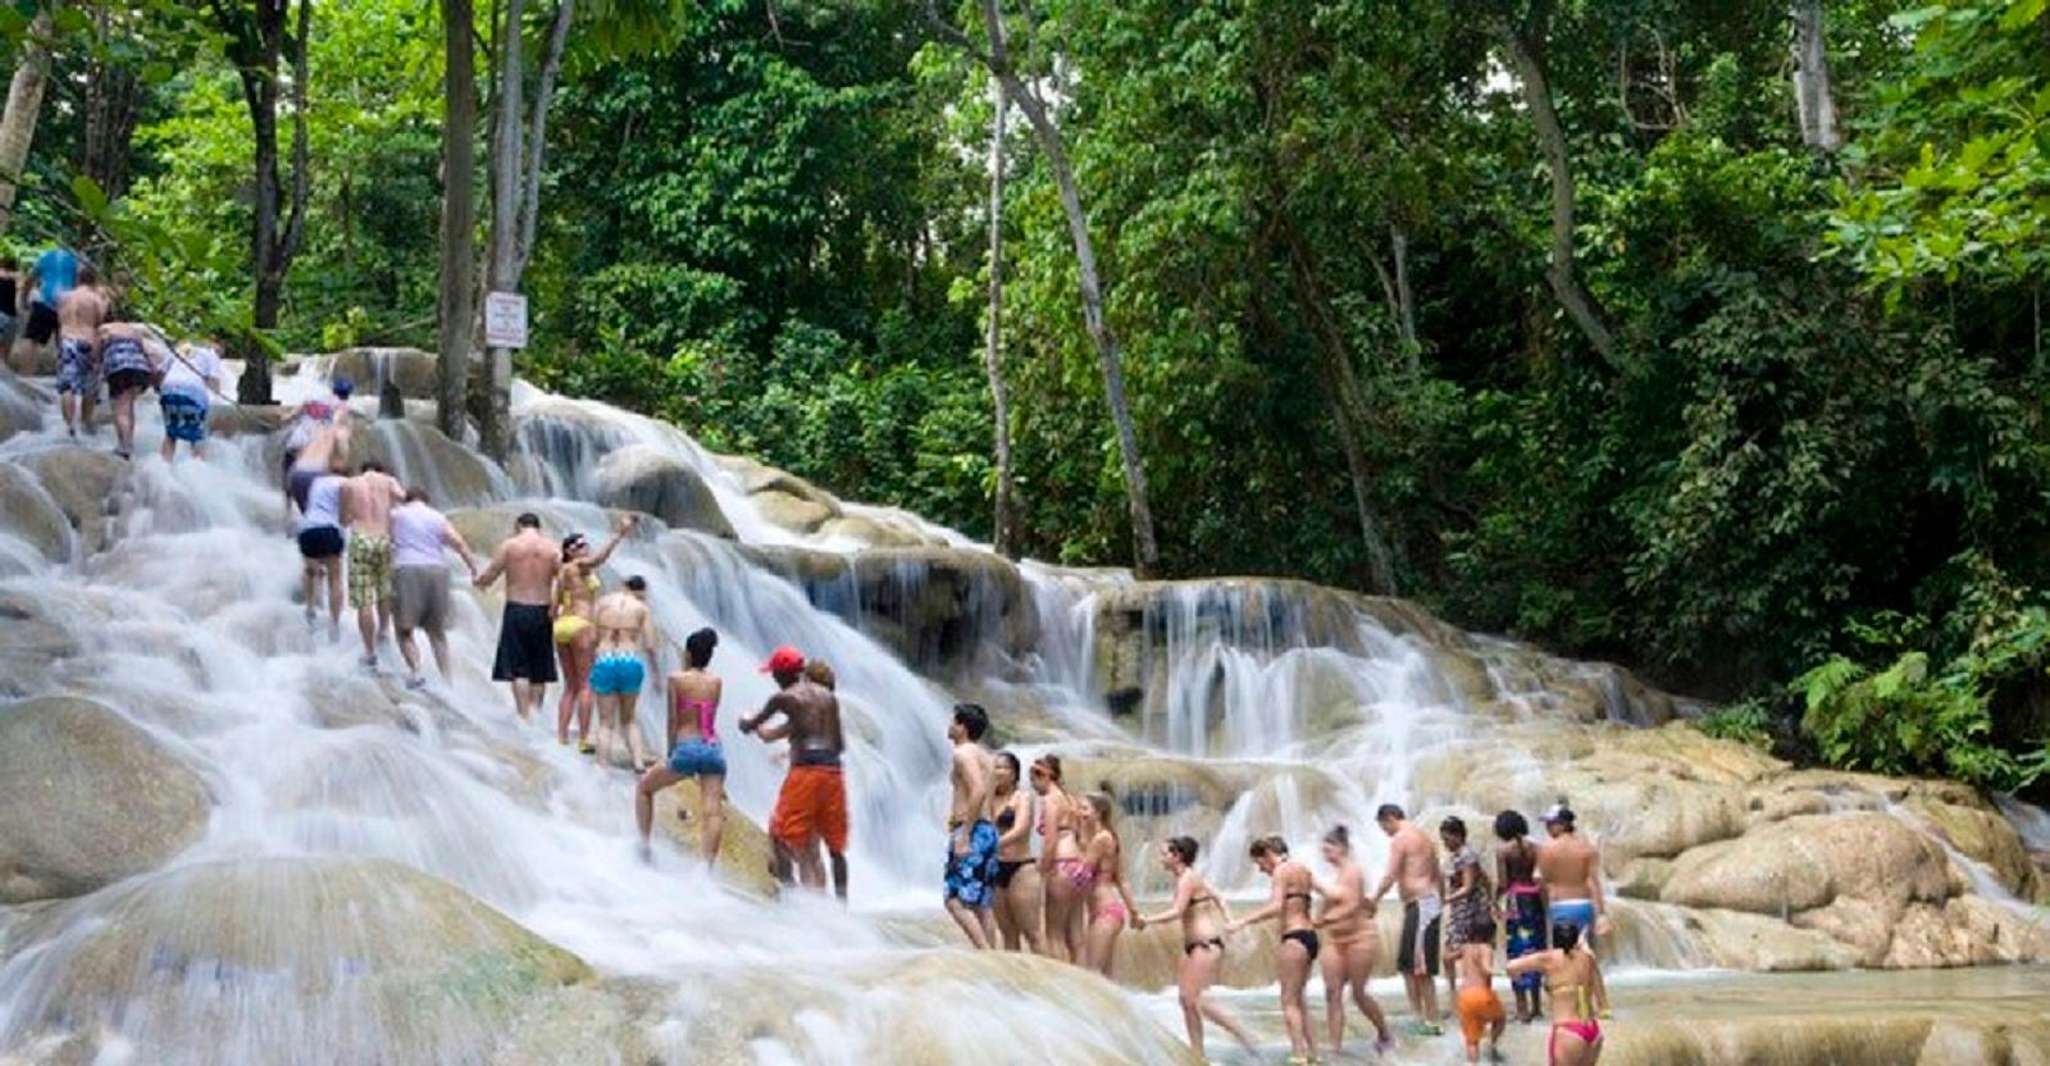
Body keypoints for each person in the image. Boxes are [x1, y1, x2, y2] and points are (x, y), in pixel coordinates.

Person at [739, 646, 847, 894]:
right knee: (813, 849)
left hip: (806, 777)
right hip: (831, 776)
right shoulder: (821, 705)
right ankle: (819, 903)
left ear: (779, 675)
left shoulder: (788, 700)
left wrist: (746, 721)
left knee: (779, 834)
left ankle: (792, 900)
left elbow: (760, 728)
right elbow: (771, 735)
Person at [1137, 836, 1256, 1059]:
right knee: (1186, 1000)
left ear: (1177, 856)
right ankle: (1197, 1054)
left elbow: (1177, 911)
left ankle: (1243, 1036)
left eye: (1165, 854)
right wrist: (1229, 920)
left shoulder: (1187, 880)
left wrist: (1147, 920)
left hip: (1206, 944)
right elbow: (1219, 896)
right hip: (1193, 945)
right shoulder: (1189, 878)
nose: (1161, 858)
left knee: (1197, 1000)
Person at [636, 627, 726, 867]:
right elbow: (710, 718)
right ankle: (707, 869)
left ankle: (644, 846)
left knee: (644, 789)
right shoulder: (716, 682)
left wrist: (670, 752)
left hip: (686, 746)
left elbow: (673, 720)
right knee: (712, 810)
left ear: (687, 653)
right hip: (712, 748)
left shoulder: (676, 679)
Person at [1230, 835, 1321, 1065]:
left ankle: (1299, 1055)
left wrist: (1243, 921)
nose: (1261, 870)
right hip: (1310, 937)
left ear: (1268, 854)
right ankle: (1313, 1054)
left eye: (1259, 863)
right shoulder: (1303, 870)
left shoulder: (1281, 871)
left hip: (1293, 938)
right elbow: (1327, 894)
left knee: (1288, 1000)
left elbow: (1276, 906)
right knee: (1300, 1000)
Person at [474, 512, 568, 723]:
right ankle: (537, 714)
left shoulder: (509, 546)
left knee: (518, 667)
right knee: (540, 667)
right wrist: (558, 603)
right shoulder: (552, 549)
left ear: (518, 526)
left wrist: (481, 582)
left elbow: (492, 572)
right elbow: (565, 578)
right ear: (539, 527)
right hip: (543, 609)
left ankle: (524, 716)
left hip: (516, 608)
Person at [1313, 825, 1395, 1056]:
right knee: (1332, 993)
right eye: (1323, 850)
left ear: (1342, 848)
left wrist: (1324, 920)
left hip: (1360, 938)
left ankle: (1385, 1033)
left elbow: (1350, 906)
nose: (1325, 854)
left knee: (1358, 994)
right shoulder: (1336, 875)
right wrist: (1318, 918)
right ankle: (1335, 1049)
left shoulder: (1354, 871)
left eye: (1329, 849)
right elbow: (1331, 901)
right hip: (1335, 940)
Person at [552, 522, 633, 751]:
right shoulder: (578, 566)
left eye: (584, 543)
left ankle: (561, 735)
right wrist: (618, 535)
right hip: (580, 624)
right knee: (586, 684)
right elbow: (598, 560)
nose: (583, 547)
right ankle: (584, 739)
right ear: (568, 551)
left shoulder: (561, 573)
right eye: (578, 545)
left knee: (570, 686)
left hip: (562, 625)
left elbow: (553, 605)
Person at [389, 488, 477, 688]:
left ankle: (416, 672)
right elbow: (459, 543)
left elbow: (386, 539)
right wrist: (473, 567)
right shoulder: (438, 517)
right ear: (426, 501)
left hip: (407, 569)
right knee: (436, 632)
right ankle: (447, 680)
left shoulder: (397, 514)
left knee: (404, 629)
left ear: (407, 500)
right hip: (438, 570)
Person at [1373, 802, 1445, 1035]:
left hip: (1422, 903)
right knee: (1408, 965)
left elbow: (1390, 875)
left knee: (1420, 966)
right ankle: (1418, 1015)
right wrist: (1441, 901)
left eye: (1384, 827)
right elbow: (1438, 874)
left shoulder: (1402, 838)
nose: (1385, 833)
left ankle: (1431, 1019)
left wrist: (1373, 900)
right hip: (1425, 903)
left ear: (1390, 818)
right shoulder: (1424, 837)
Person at [1538, 804, 1611, 1016]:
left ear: (1562, 825)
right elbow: (1592, 881)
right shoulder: (1587, 849)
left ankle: (1573, 1007)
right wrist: (1601, 913)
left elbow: (1543, 881)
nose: (1548, 828)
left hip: (1559, 906)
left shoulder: (1547, 849)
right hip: (1583, 906)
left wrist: (1545, 910)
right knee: (1588, 957)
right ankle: (1602, 1005)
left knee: (1564, 959)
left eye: (1551, 824)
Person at [1506, 922, 1605, 1066]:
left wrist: (1517, 978)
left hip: (1568, 1031)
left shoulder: (1548, 959)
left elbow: (1511, 966)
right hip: (1592, 1030)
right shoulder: (1587, 957)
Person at [943, 703, 1000, 948]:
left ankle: (985, 955)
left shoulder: (963, 753)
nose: (949, 725)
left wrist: (964, 834)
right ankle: (993, 961)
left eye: (953, 721)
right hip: (987, 830)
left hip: (973, 830)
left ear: (962, 727)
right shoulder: (985, 756)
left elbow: (977, 790)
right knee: (981, 904)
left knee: (954, 900)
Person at [341, 461, 406, 669]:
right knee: (383, 589)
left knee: (364, 599)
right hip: (383, 538)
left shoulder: (351, 484)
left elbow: (343, 518)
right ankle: (384, 631)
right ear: (380, 470)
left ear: (363, 470)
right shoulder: (388, 481)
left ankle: (369, 651)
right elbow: (403, 499)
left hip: (361, 538)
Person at [588, 575, 657, 771]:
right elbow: (651, 645)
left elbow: (592, 638)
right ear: (641, 591)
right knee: (629, 719)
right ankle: (638, 761)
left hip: (605, 658)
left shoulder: (602, 603)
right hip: (629, 659)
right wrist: (656, 674)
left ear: (623, 586)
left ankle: (601, 765)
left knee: (605, 722)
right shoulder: (641, 608)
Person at [1029, 753, 1087, 963]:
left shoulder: (1050, 800)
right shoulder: (1070, 799)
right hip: (1079, 865)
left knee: (1054, 935)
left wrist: (1043, 868)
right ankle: (1084, 982)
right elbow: (1080, 834)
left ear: (1043, 777)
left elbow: (1051, 840)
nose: (1033, 787)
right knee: (1077, 936)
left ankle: (1062, 988)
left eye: (1033, 780)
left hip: (1061, 865)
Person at [1076, 789, 1137, 978]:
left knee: (1092, 973)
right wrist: (1134, 912)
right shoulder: (1109, 836)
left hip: (1105, 912)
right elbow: (1122, 880)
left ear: (1098, 812)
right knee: (1105, 976)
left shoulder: (1101, 839)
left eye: (1084, 809)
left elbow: (1081, 873)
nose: (1079, 812)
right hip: (1107, 912)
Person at [989, 751, 1043, 953]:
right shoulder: (988, 798)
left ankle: (1048, 978)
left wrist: (993, 845)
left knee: (1033, 933)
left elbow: (1020, 829)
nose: (997, 771)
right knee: (1007, 933)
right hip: (995, 868)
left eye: (1002, 767)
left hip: (1021, 867)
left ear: (1014, 773)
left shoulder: (1023, 797)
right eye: (994, 767)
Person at [1495, 809, 1547, 1023]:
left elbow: (1503, 883)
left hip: (1516, 902)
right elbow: (1539, 878)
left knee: (1517, 953)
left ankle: (1522, 1008)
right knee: (1535, 950)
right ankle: (1536, 1006)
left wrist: (1493, 899)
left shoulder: (1503, 851)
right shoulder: (1536, 848)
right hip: (1535, 902)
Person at [281, 377, 353, 525]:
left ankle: (288, 514)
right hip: (314, 449)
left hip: (295, 442)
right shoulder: (342, 407)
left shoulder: (311, 400)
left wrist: (282, 418)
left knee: (289, 480)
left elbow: (288, 417)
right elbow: (336, 428)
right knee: (316, 487)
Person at [1442, 816, 1494, 1012]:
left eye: (1447, 839)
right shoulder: (1460, 855)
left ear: (1458, 836)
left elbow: (1469, 886)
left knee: (1457, 953)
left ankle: (1463, 994)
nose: (1445, 843)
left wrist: (1446, 899)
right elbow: (1486, 880)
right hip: (1463, 908)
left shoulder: (1466, 855)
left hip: (1468, 910)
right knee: (1463, 953)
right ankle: (1462, 992)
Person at [51, 265, 107, 439]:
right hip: (88, 340)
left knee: (67, 386)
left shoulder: (63, 297)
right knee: (90, 386)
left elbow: (60, 320)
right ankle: (85, 422)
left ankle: (70, 426)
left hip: (67, 340)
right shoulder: (96, 299)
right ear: (94, 280)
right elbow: (100, 324)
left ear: (78, 279)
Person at [296, 462, 348, 639]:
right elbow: (345, 513)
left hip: (307, 528)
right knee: (335, 578)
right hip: (329, 528)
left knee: (310, 570)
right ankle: (334, 622)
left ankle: (310, 608)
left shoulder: (317, 482)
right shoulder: (345, 484)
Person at [94, 317, 155, 459]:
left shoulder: (104, 329)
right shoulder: (133, 331)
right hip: (140, 369)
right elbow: (145, 351)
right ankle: (129, 443)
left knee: (120, 410)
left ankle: (124, 447)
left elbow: (96, 352)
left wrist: (96, 365)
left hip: (119, 368)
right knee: (129, 407)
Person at [154, 341, 225, 462]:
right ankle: (198, 469)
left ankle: (163, 466)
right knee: (197, 437)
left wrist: (158, 389)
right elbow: (214, 381)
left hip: (168, 389)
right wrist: (218, 396)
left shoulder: (180, 349)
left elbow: (160, 372)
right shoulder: (211, 354)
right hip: (192, 392)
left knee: (171, 434)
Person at [1454, 918, 1508, 1064]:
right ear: (1491, 934)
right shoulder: (1486, 948)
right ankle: (1491, 1044)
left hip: (1464, 996)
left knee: (1471, 1041)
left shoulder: (1465, 948)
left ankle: (1473, 1063)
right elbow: (1486, 969)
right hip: (1481, 994)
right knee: (1501, 1018)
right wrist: (1502, 972)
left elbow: (1447, 957)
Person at [16, 246, 76, 375]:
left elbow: (30, 278)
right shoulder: (75, 260)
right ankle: (64, 377)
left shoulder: (46, 257)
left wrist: (24, 299)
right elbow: (78, 284)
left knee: (32, 339)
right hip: (66, 304)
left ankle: (25, 375)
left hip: (44, 302)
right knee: (64, 342)